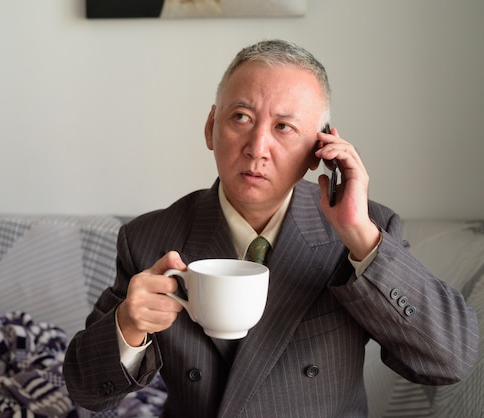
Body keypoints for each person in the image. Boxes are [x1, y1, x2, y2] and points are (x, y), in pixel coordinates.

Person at [63, 39, 479, 417]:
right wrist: (128, 326)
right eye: (240, 117)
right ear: (211, 128)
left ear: (320, 150)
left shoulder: (364, 233)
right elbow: (86, 391)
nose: (257, 147)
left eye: (284, 127)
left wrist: (360, 236)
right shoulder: (150, 238)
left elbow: (450, 360)